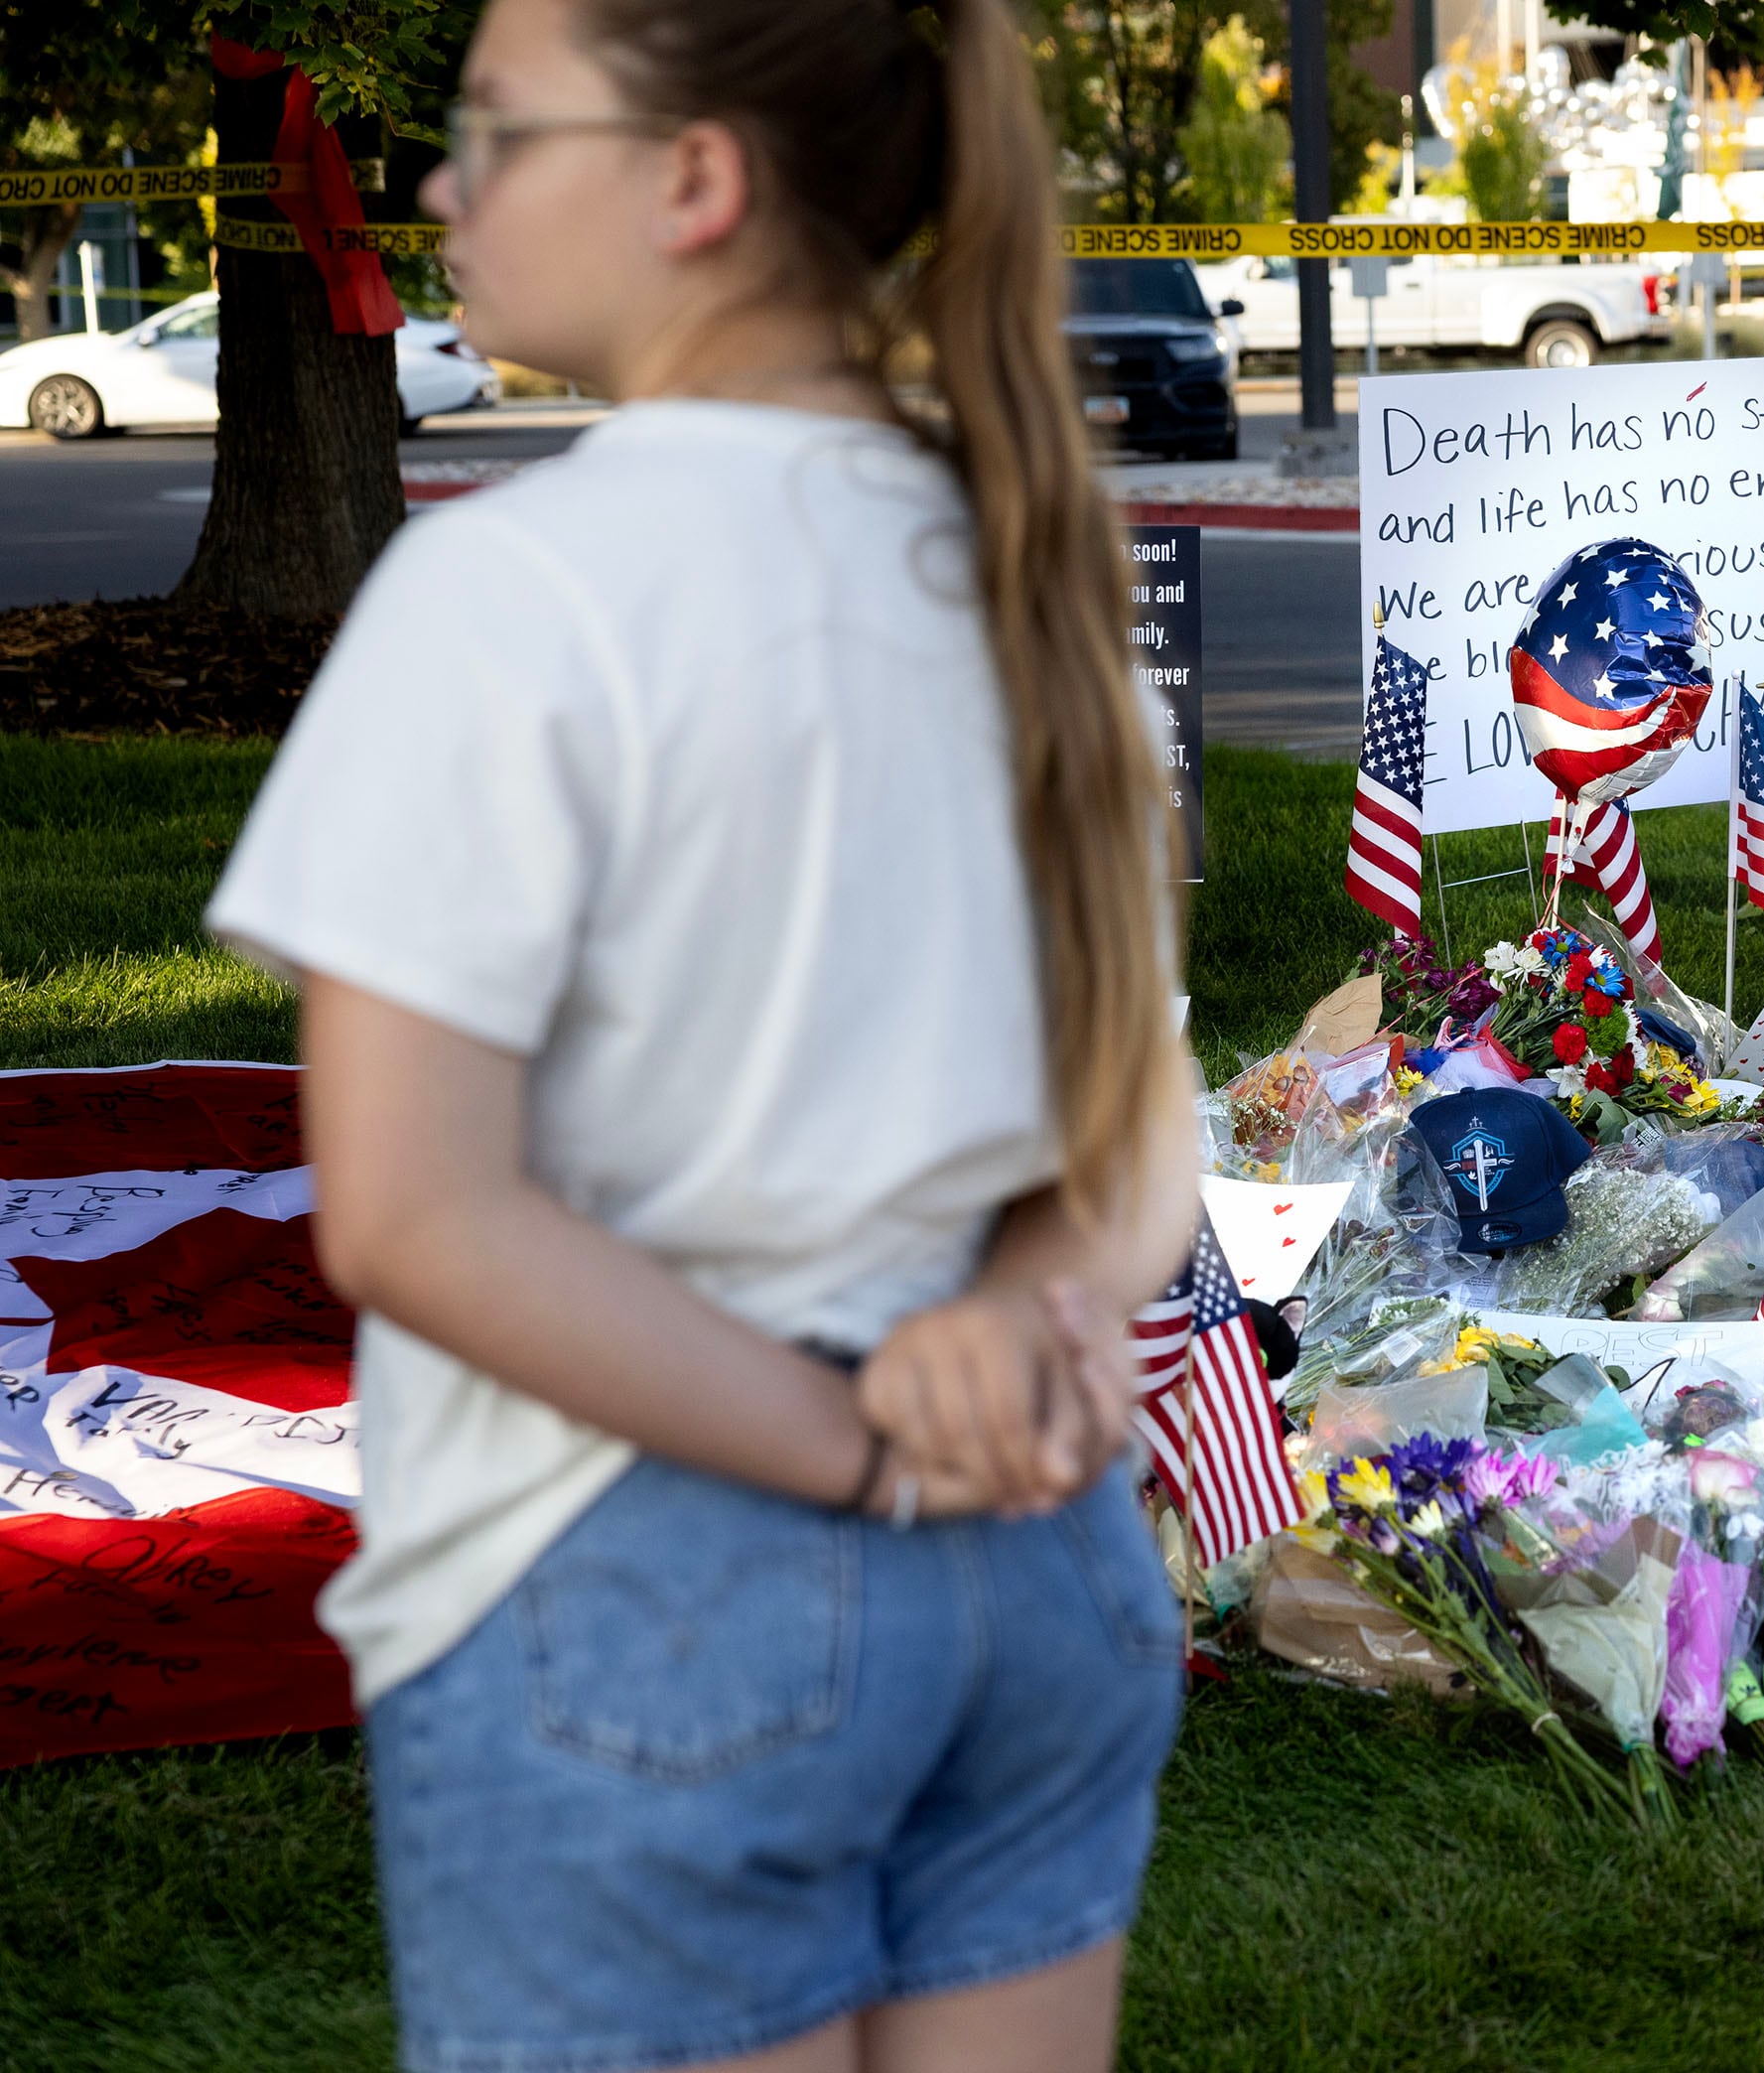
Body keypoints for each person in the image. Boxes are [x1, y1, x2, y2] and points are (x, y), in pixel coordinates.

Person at [204, 0, 1196, 2067]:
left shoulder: (513, 596)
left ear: (697, 183)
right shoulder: (1026, 561)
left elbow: (412, 1217)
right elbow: (1129, 1113)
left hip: (643, 1572)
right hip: (1041, 1563)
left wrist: (854, 1450)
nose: (441, 187)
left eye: (494, 128)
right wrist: (994, 1338)